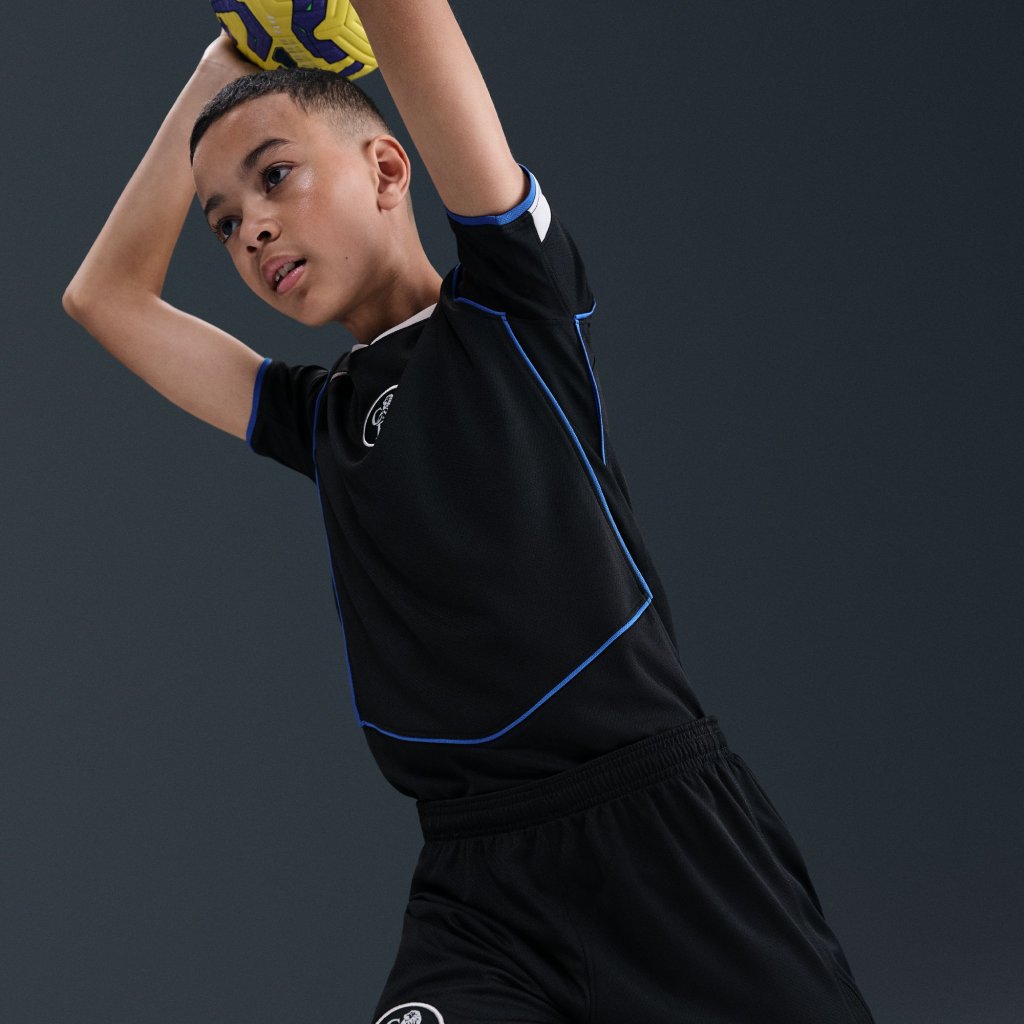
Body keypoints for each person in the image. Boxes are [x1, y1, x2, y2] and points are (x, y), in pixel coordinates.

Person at [63, 3, 876, 1022]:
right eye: (222, 222)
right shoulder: (320, 419)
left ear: (386, 170)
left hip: (665, 841)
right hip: (479, 893)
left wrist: (283, 44)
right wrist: (228, 60)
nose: (250, 228)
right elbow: (105, 298)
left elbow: (410, 20)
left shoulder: (511, 307)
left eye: (275, 176)